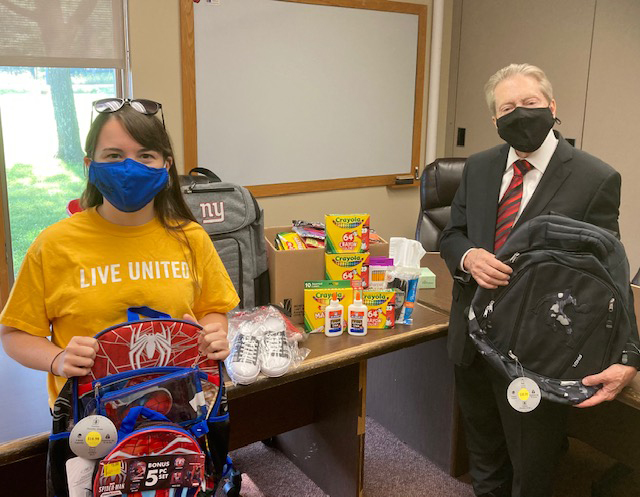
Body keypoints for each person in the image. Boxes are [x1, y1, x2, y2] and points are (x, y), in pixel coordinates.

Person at [439, 64, 640, 497]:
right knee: (485, 459)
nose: (519, 113)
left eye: (529, 103)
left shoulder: (594, 178)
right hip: (472, 341)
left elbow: (610, 271)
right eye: (507, 107)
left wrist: (630, 352)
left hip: (538, 352)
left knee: (531, 469)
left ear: (551, 106)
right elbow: (451, 234)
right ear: (495, 120)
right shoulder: (478, 167)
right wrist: (470, 257)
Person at [0, 98, 239, 406]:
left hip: (181, 408)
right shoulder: (53, 245)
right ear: (90, 165)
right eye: (113, 155)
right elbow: (14, 335)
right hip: (89, 419)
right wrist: (58, 359)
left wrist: (213, 333)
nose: (130, 167)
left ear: (166, 166)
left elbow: (212, 308)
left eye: (146, 155)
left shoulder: (191, 238)